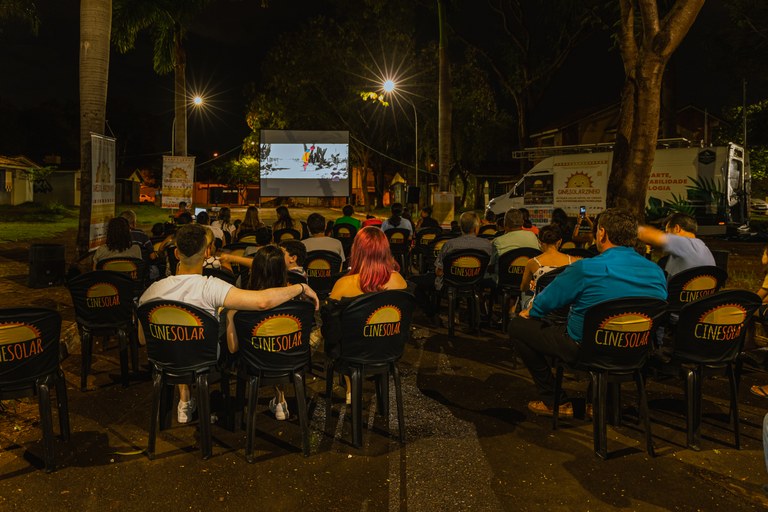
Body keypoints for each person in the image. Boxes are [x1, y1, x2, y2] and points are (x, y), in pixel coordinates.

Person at [138, 224, 319, 423]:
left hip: (165, 360)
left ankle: (184, 399)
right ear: (206, 252)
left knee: (180, 343)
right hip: (205, 358)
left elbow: (141, 339)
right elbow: (262, 301)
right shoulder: (213, 287)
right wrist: (301, 287)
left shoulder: (151, 292)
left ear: (176, 253)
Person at [509, 208, 667, 417]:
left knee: (518, 327)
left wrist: (529, 312)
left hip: (585, 349)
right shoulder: (655, 271)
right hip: (635, 348)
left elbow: (545, 303)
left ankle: (554, 400)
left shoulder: (586, 268)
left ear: (601, 233)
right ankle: (599, 402)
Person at [322, 227, 409, 403]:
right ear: (385, 250)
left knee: (337, 337)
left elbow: (331, 329)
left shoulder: (344, 284)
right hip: (388, 347)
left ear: (357, 250)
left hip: (352, 353)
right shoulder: (399, 280)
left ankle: (350, 386)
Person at [225, 245, 304, 420]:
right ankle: (280, 399)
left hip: (256, 361)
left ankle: (279, 400)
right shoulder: (297, 300)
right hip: (291, 356)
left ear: (255, 270)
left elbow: (232, 348)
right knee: (276, 343)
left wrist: (229, 316)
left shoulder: (240, 306)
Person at [411, 212, 493, 322]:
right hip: (475, 281)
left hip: (449, 283)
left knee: (412, 282)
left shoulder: (450, 245)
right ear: (476, 228)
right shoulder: (487, 245)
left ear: (461, 227)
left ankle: (432, 313)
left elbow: (439, 272)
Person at [637, 212, 715, 276]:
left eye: (667, 232)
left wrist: (629, 227)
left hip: (676, 294)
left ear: (677, 228)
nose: (666, 235)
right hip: (701, 294)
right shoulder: (704, 249)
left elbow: (646, 233)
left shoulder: (685, 244)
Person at [519, 224, 578, 308]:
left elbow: (523, 288)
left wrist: (535, 285)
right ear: (559, 241)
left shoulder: (532, 263)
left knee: (525, 296)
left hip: (541, 307)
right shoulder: (573, 261)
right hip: (565, 308)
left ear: (539, 242)